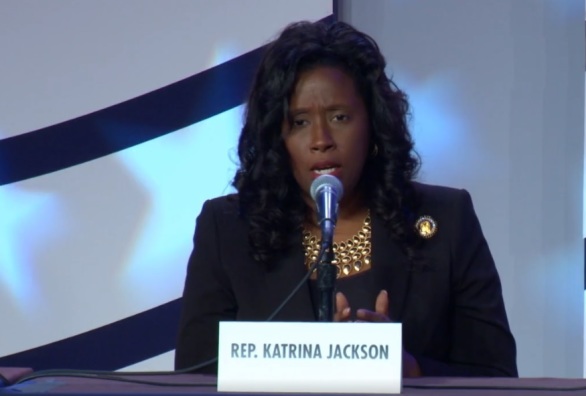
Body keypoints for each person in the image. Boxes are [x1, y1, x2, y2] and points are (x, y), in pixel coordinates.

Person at [175, 20, 517, 377]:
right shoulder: (227, 231)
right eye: (299, 122)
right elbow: (192, 382)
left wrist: (409, 371)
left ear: (374, 125)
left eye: (339, 117)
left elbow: (497, 378)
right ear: (277, 137)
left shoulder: (448, 220)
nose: (321, 139)